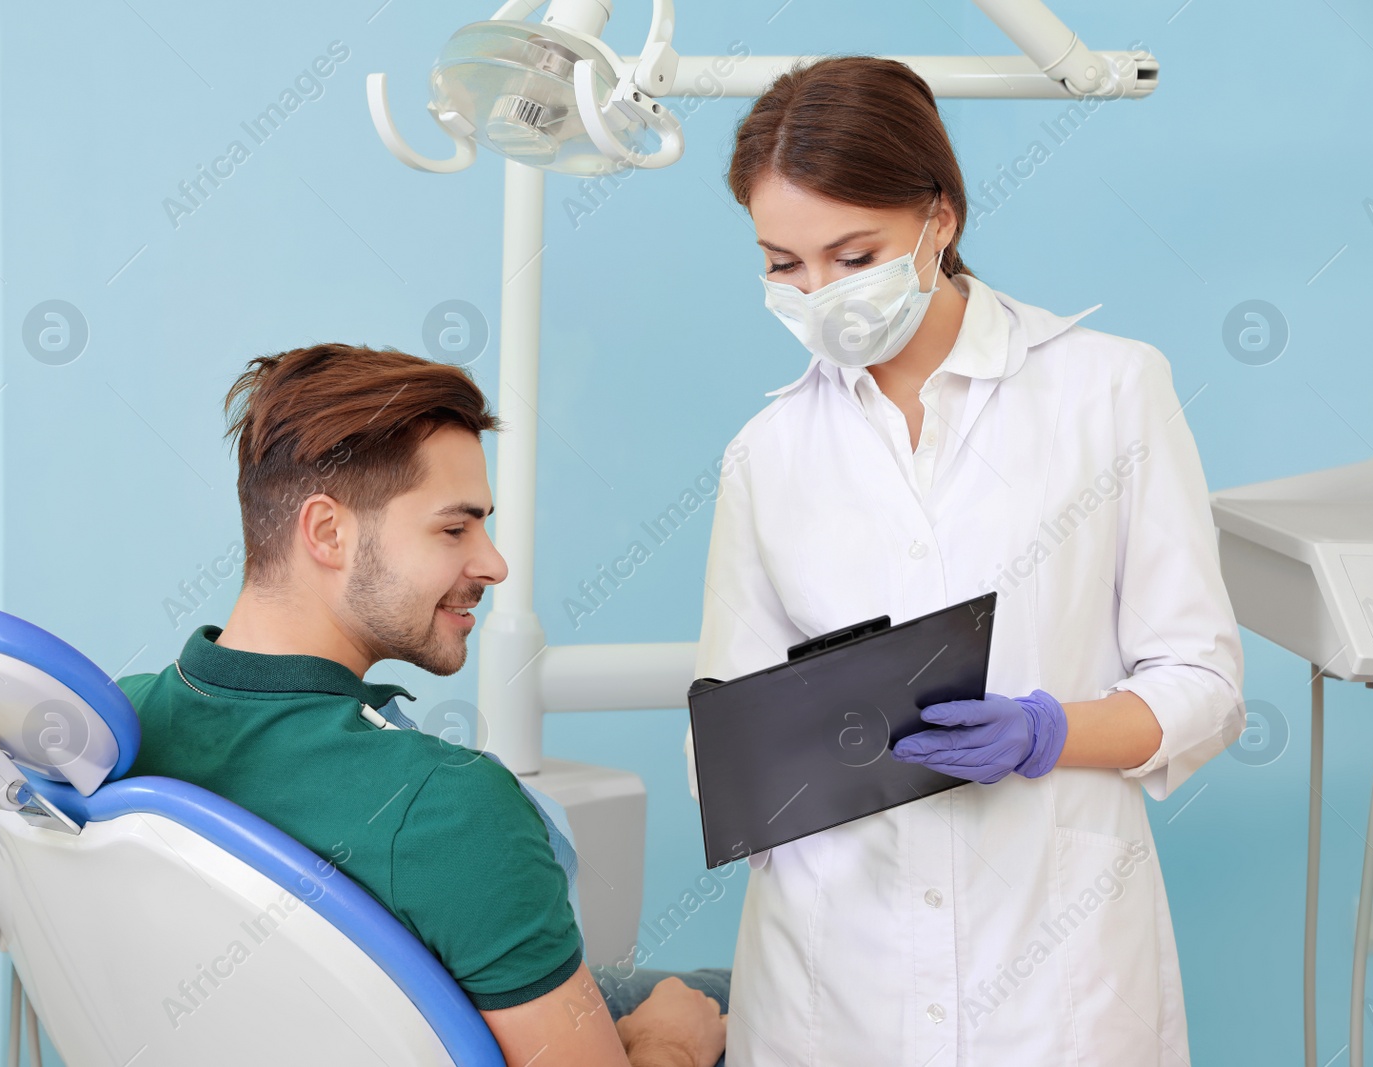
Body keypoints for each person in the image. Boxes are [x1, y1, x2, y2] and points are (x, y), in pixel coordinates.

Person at [683, 57, 1244, 1064]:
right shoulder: (764, 455)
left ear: (938, 218)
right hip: (834, 978)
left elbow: (1202, 683)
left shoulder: (1105, 392)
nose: (816, 293)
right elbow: (726, 739)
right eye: (782, 263)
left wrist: (1047, 729)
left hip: (1056, 978)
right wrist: (787, 759)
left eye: (852, 256)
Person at [120, 343, 728, 1067]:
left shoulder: (119, 728)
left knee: (705, 985)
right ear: (327, 532)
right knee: (730, 1005)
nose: (494, 564)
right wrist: (672, 1047)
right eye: (454, 527)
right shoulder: (451, 808)